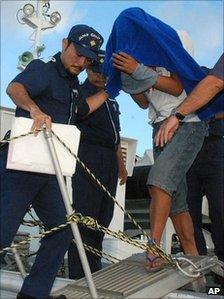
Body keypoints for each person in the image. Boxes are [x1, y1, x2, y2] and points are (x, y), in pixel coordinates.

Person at [0, 25, 114, 299]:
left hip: (49, 172)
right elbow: (14, 87)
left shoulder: (73, 86)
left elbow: (82, 110)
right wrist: (34, 109)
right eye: (77, 53)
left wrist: (112, 91)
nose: (81, 61)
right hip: (20, 166)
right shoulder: (44, 68)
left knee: (63, 230)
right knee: (2, 233)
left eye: (87, 58)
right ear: (65, 43)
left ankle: (32, 295)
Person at [68, 51, 127, 279]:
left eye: (106, 73)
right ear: (89, 69)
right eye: (98, 71)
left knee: (103, 216)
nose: (102, 76)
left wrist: (121, 165)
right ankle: (79, 275)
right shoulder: (81, 94)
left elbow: (116, 136)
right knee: (85, 216)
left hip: (109, 161)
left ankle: (94, 271)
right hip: (88, 155)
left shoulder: (110, 100)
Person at [155, 54, 224, 146]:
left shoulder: (209, 78)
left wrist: (177, 115)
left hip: (209, 132)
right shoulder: (197, 76)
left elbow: (216, 83)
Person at [186, 116, 224, 262]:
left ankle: (222, 260)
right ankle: (197, 261)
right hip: (186, 147)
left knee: (220, 208)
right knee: (189, 212)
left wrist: (208, 114)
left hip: (215, 146)